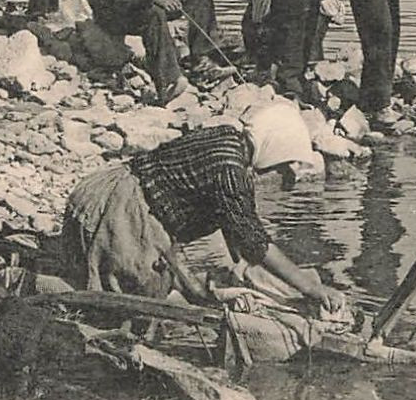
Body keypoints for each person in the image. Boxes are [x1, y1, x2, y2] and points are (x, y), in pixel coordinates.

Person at [56, 101, 346, 312]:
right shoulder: (230, 169)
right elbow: (253, 242)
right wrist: (310, 287)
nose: (285, 175)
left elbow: (237, 239)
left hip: (101, 191)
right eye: (284, 166)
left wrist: (199, 286)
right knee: (128, 304)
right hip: (118, 212)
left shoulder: (226, 140)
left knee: (163, 285)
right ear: (274, 149)